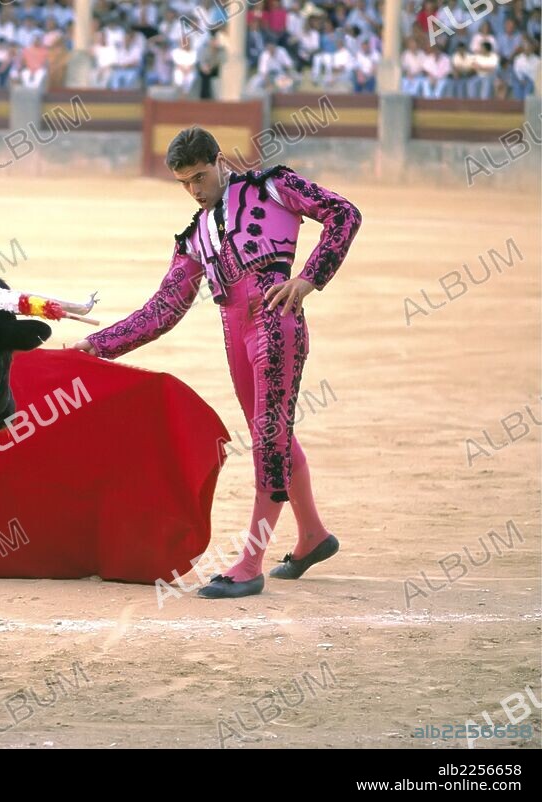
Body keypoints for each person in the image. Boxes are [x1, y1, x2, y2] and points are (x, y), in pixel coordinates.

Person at [71, 127, 361, 598]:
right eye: (185, 183)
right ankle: (312, 536)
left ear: (220, 161)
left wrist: (309, 279)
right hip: (236, 339)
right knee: (276, 434)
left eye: (200, 177)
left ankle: (251, 563)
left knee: (270, 440)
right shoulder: (194, 236)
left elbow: (345, 213)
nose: (195, 190)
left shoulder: (272, 186)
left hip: (274, 324)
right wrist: (98, 345)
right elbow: (162, 310)